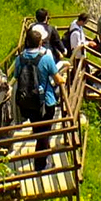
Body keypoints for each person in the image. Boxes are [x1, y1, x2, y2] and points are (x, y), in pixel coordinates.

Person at [13, 27, 62, 172]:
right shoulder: (46, 58)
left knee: (38, 129)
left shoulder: (19, 59)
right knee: (44, 133)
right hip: (45, 102)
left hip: (27, 103)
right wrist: (63, 80)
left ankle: (44, 155)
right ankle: (40, 165)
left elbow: (16, 77)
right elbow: (57, 78)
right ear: (40, 43)